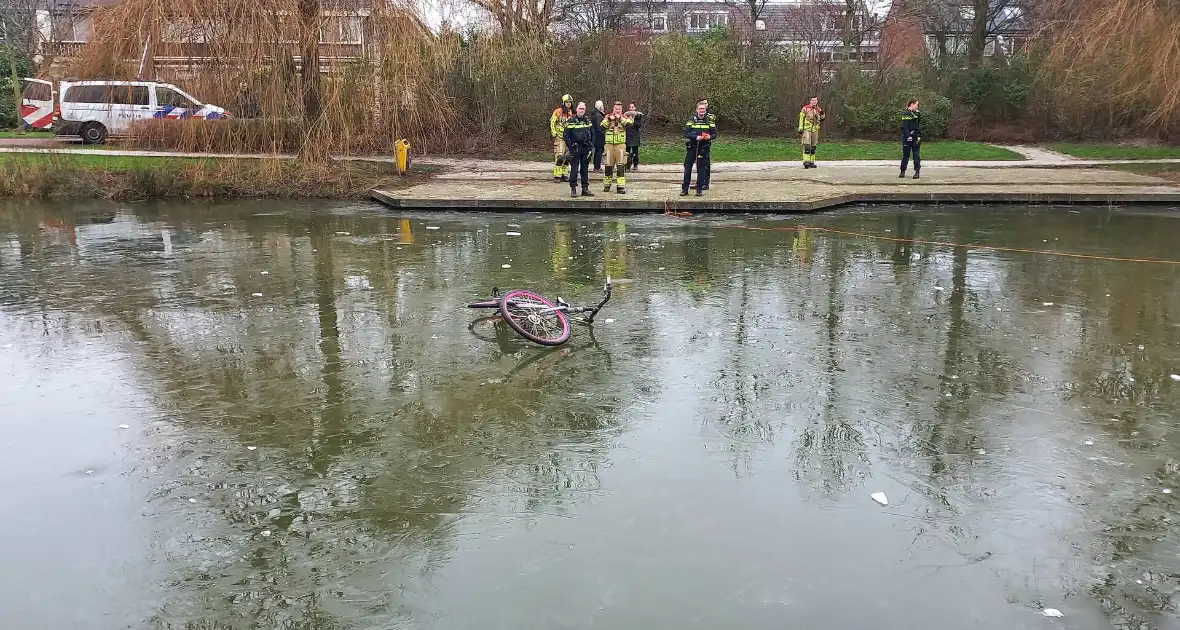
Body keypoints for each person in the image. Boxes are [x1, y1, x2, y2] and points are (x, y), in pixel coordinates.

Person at [681, 101, 718, 197]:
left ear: (705, 111)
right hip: (692, 146)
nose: (702, 110)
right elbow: (685, 133)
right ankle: (685, 189)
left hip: (704, 148)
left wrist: (709, 137)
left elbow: (715, 134)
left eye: (703, 109)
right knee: (687, 167)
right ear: (697, 110)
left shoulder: (710, 121)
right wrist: (696, 137)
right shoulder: (691, 120)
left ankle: (699, 189)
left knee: (701, 169)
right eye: (700, 109)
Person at [563, 102, 596, 198]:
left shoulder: (587, 120)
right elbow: (566, 136)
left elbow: (593, 133)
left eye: (583, 109)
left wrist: (591, 145)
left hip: (586, 148)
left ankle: (585, 189)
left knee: (584, 169)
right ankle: (573, 188)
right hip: (575, 148)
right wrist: (571, 148)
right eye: (580, 108)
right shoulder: (571, 120)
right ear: (576, 109)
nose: (582, 110)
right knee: (574, 170)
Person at [601, 101, 633, 194]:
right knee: (608, 166)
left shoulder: (625, 117)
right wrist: (609, 120)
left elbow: (630, 126)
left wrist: (621, 119)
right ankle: (607, 185)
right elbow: (601, 127)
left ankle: (620, 187)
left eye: (619, 109)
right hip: (609, 145)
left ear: (621, 110)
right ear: (613, 109)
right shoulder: (607, 116)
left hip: (620, 145)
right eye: (616, 109)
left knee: (620, 167)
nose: (617, 111)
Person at [549, 94, 574, 182]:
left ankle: (564, 174)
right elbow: (552, 122)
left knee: (567, 157)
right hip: (560, 137)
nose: (568, 104)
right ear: (563, 103)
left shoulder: (571, 112)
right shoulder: (557, 111)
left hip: (569, 138)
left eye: (570, 102)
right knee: (560, 156)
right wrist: (554, 132)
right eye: (567, 102)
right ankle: (557, 175)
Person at [797, 96, 825, 169]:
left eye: (815, 100)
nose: (814, 101)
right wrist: (800, 128)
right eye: (813, 100)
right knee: (807, 146)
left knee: (813, 146)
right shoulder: (805, 108)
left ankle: (811, 162)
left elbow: (822, 118)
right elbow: (801, 118)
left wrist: (821, 112)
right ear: (810, 101)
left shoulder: (818, 109)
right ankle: (806, 162)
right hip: (807, 129)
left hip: (815, 129)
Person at [900, 99, 922, 179]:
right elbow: (905, 126)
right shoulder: (906, 113)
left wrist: (917, 134)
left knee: (916, 155)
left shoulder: (917, 113)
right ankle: (902, 171)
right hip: (907, 137)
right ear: (912, 104)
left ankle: (917, 171)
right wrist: (908, 135)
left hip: (916, 137)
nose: (917, 106)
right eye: (916, 105)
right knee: (906, 155)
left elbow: (918, 124)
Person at [624, 102, 644, 170]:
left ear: (635, 108)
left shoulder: (638, 116)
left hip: (635, 136)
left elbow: (639, 125)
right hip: (628, 136)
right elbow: (625, 125)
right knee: (627, 151)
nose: (631, 108)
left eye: (632, 107)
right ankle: (627, 165)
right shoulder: (626, 116)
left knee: (635, 152)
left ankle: (635, 165)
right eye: (630, 107)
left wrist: (633, 120)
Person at [590, 100, 606, 172]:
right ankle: (597, 166)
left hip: (595, 135)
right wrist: (604, 133)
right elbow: (600, 127)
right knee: (599, 151)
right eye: (602, 106)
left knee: (597, 151)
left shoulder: (594, 114)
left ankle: (596, 166)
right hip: (599, 136)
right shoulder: (598, 116)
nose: (603, 108)